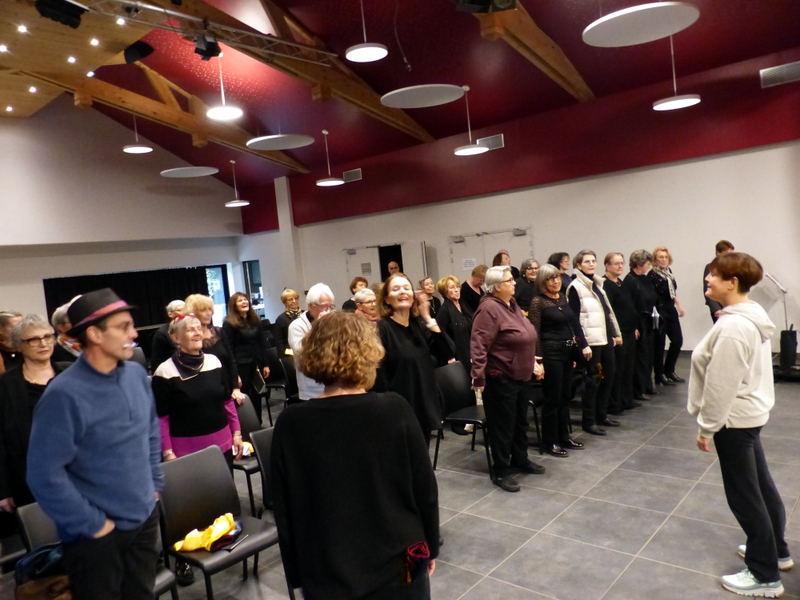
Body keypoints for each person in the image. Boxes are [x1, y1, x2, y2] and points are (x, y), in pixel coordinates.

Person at [272, 311, 439, 600]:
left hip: (327, 570)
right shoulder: (395, 409)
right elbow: (425, 490)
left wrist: (296, 574)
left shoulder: (291, 423)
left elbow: (285, 508)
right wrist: (431, 548)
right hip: (401, 563)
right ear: (369, 353)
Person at [26, 288, 163, 600]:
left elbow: (151, 431)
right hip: (97, 535)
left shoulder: (135, 375)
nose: (133, 334)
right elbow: (43, 474)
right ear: (94, 334)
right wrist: (92, 524)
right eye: (123, 327)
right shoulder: (63, 395)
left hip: (143, 518)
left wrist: (154, 484)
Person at [689, 252, 790, 598]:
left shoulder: (733, 327)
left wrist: (707, 427)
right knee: (760, 485)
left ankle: (764, 575)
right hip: (749, 415)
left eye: (714, 275)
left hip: (733, 421)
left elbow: (721, 385)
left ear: (732, 283)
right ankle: (777, 551)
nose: (707, 279)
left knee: (745, 496)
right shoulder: (749, 313)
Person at [470, 266, 545, 492]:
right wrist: (478, 377)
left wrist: (531, 361)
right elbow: (478, 346)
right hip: (500, 377)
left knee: (520, 422)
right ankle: (501, 470)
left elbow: (525, 335)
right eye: (509, 280)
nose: (514, 283)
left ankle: (520, 459)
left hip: (521, 375)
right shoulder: (489, 309)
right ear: (497, 286)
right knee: (503, 427)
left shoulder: (510, 303)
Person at [0, 315, 70, 537]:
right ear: (19, 345)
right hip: (30, 478)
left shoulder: (72, 373)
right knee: (46, 541)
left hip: (78, 471)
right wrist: (3, 489)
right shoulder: (5, 386)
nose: (43, 343)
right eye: (33, 339)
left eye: (48, 336)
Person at [152, 315, 244, 468]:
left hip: (223, 445)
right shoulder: (164, 372)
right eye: (190, 330)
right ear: (176, 338)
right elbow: (162, 418)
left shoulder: (214, 362)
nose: (197, 333)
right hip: (186, 452)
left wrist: (237, 434)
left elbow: (227, 402)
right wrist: (167, 452)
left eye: (198, 329)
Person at [374, 273, 454, 445]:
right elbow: (379, 378)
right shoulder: (382, 330)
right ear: (387, 299)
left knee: (421, 455)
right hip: (398, 409)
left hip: (423, 404)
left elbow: (446, 353)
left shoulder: (418, 325)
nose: (402, 291)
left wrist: (428, 318)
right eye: (396, 289)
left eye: (406, 288)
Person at [529, 265, 591, 457]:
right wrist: (539, 360)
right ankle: (549, 441)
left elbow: (573, 324)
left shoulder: (562, 297)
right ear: (542, 282)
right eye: (550, 278)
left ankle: (564, 437)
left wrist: (582, 345)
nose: (555, 281)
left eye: (557, 277)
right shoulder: (538, 302)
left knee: (565, 397)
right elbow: (535, 333)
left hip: (567, 352)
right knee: (553, 398)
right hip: (551, 354)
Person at [567, 250, 622, 436]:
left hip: (604, 339)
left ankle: (601, 415)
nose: (591, 264)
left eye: (593, 261)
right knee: (592, 381)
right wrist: (583, 344)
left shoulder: (598, 284)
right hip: (591, 342)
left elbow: (607, 313)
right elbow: (574, 319)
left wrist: (614, 333)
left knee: (609, 375)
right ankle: (589, 421)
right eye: (587, 261)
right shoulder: (576, 287)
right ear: (578, 265)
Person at [184, 293, 244, 403]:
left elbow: (231, 361)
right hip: (205, 392)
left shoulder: (218, 332)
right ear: (193, 313)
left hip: (228, 388)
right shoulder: (189, 339)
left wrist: (235, 387)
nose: (208, 313)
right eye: (203, 310)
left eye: (210, 309)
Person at [603, 253, 642, 414]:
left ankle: (626, 400)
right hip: (618, 333)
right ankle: (615, 404)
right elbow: (609, 312)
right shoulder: (605, 284)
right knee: (618, 369)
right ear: (607, 266)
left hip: (629, 331)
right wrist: (614, 334)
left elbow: (629, 306)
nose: (620, 266)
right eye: (616, 264)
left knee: (628, 368)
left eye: (621, 263)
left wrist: (634, 327)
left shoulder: (620, 282)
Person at [223, 292, 270, 422]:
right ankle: (246, 424)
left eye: (245, 300)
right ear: (234, 306)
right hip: (240, 365)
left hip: (256, 363)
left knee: (257, 394)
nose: (244, 302)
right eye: (240, 301)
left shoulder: (254, 320)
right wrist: (234, 374)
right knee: (244, 396)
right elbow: (229, 350)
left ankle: (258, 422)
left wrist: (265, 364)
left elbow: (262, 343)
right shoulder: (229, 323)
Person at [288, 284, 334, 400]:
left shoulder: (332, 322)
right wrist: (318, 327)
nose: (328, 310)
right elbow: (302, 352)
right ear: (310, 306)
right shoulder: (297, 326)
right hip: (311, 387)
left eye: (331, 306)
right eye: (324, 306)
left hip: (333, 382)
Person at [624, 250, 659, 401]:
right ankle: (638, 389)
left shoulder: (644, 278)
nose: (649, 266)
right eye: (647, 263)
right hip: (639, 321)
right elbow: (630, 306)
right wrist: (635, 327)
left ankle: (647, 385)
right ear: (639, 264)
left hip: (648, 320)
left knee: (649, 355)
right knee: (640, 357)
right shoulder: (630, 280)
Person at [650, 246, 686, 386]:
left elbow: (672, 293)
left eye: (665, 257)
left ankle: (669, 370)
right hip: (659, 311)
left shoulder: (668, 273)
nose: (664, 260)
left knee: (677, 340)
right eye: (661, 257)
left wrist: (678, 305)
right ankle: (659, 374)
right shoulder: (652, 275)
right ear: (655, 259)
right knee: (659, 344)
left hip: (670, 310)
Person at [435, 276, 472, 368]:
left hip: (471, 351)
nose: (456, 290)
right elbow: (441, 337)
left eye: (458, 286)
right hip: (458, 355)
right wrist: (449, 357)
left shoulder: (464, 305)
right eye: (452, 287)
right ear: (445, 291)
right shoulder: (444, 310)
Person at [704, 240, 735, 323]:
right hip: (719, 308)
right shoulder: (711, 267)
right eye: (727, 254)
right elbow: (708, 288)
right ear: (718, 253)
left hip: (732, 306)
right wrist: (716, 308)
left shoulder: (733, 267)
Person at [149, 299, 185, 371]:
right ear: (170, 314)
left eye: (186, 310)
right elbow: (156, 362)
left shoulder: (190, 329)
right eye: (180, 310)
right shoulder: (161, 333)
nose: (184, 313)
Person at [274, 289, 302, 356]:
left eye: (296, 298)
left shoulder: (305, 314)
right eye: (290, 299)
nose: (294, 301)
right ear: (284, 302)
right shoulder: (281, 319)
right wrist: (284, 358)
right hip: (290, 353)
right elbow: (279, 341)